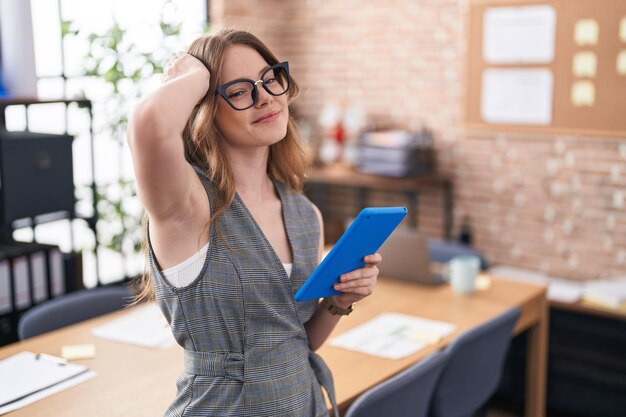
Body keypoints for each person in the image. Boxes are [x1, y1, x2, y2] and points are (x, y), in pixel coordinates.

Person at [128, 29, 382, 417]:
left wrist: (338, 301)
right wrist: (195, 72)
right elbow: (149, 124)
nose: (265, 96)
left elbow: (296, 342)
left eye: (269, 79)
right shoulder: (189, 207)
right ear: (205, 108)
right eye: (239, 90)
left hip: (303, 403)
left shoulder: (303, 213)